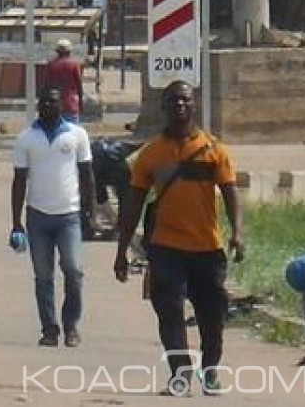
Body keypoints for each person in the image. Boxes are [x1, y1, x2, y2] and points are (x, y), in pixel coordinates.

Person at [112, 80, 243, 397]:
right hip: (166, 249)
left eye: (185, 100)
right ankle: (180, 374)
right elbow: (133, 204)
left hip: (207, 249)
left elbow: (230, 192)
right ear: (164, 107)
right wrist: (121, 251)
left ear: (194, 105)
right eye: (173, 101)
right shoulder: (150, 155)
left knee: (211, 316)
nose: (180, 105)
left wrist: (238, 232)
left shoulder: (215, 151)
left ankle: (210, 369)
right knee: (169, 310)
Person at [10, 86, 95, 348]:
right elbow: (19, 181)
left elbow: (86, 174)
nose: (48, 106)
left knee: (74, 271)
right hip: (37, 216)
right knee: (43, 277)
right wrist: (16, 223)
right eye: (44, 102)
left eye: (53, 102)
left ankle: (71, 326)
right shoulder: (26, 138)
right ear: (38, 106)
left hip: (69, 215)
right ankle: (49, 329)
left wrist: (89, 212)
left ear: (62, 106)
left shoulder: (77, 135)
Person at [43, 39, 84, 123]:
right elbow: (79, 84)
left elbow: (46, 85)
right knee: (73, 133)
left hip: (54, 106)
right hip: (71, 105)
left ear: (57, 51)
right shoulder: (74, 64)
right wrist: (80, 102)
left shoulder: (51, 64)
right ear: (69, 51)